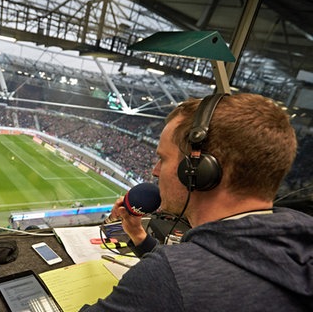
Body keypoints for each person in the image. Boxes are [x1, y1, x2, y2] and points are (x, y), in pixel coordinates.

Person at [80, 93, 313, 311]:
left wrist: (163, 271)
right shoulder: (297, 246)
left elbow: (181, 280)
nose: (155, 171)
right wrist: (139, 237)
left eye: (163, 158)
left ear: (199, 171)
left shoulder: (166, 276)